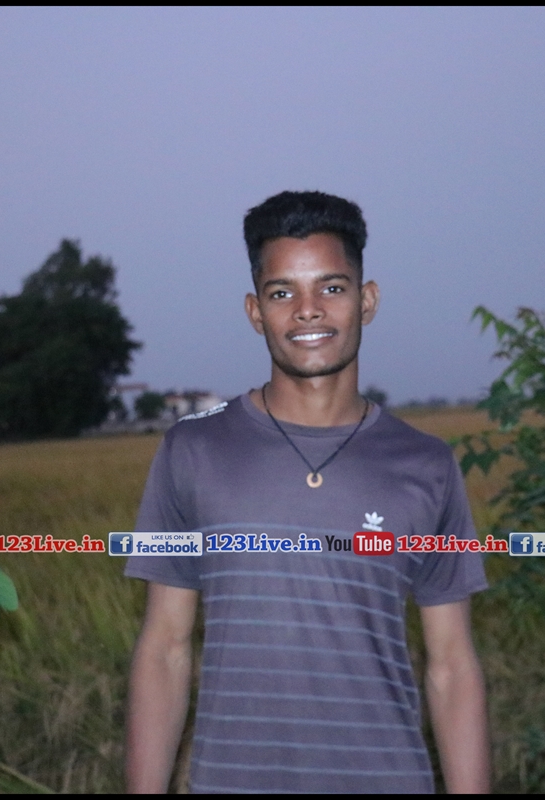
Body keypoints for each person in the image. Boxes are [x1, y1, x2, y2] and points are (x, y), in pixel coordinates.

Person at [124, 190, 491, 793]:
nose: (308, 311)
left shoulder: (426, 464)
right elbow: (165, 647)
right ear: (255, 311)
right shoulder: (193, 450)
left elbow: (451, 664)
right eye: (282, 293)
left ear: (367, 301)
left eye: (332, 287)